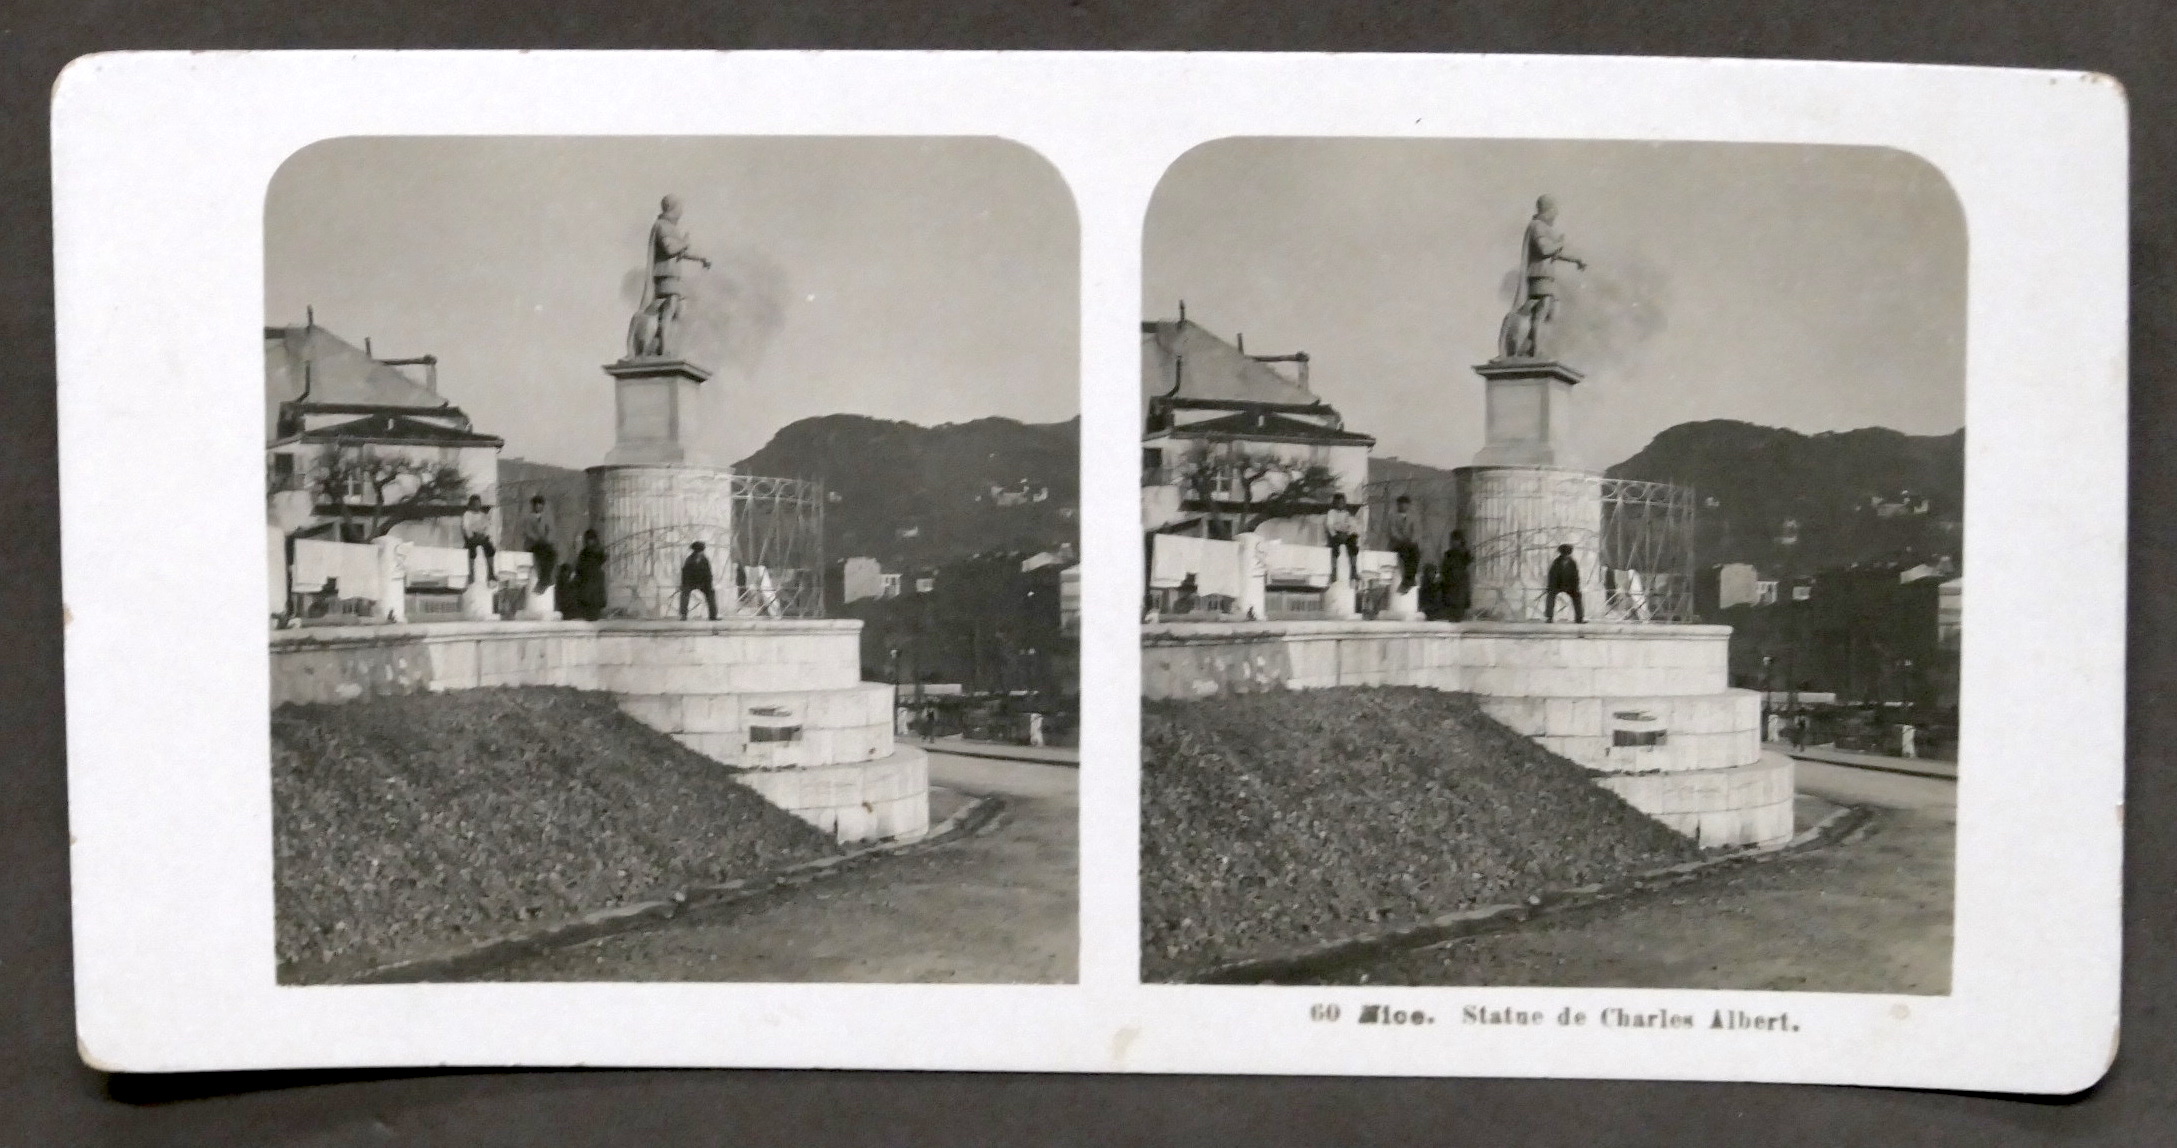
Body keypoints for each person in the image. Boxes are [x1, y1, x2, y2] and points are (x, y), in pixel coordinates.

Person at [570, 529, 609, 621]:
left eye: (591, 539)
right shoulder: (586, 552)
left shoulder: (593, 551)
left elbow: (602, 559)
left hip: (591, 582)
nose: (590, 542)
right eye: (589, 540)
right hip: (588, 582)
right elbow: (579, 566)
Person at [1324, 492, 1362, 584]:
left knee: (1353, 546)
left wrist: (1348, 532)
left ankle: (1353, 571)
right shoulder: (1331, 513)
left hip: (1345, 535)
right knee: (1334, 549)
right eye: (1339, 502)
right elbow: (1330, 526)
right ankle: (1334, 571)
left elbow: (1350, 526)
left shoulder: (1347, 513)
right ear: (1335, 503)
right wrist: (1338, 532)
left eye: (1342, 502)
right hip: (1335, 535)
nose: (1341, 504)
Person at [522, 494, 557, 591]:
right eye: (536, 505)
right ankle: (544, 580)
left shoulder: (547, 518)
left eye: (541, 505)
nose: (539, 507)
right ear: (533, 506)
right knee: (541, 554)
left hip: (545, 544)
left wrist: (547, 539)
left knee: (552, 554)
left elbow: (551, 530)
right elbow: (528, 532)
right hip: (532, 544)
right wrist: (538, 539)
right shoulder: (528, 518)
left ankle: (545, 579)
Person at [1387, 495, 1421, 594]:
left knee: (1416, 554)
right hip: (1397, 544)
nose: (1403, 507)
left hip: (1410, 543)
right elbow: (1392, 532)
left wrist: (1412, 540)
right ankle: (1408, 580)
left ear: (1408, 505)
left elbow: (1417, 531)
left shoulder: (1413, 517)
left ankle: (1409, 580)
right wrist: (1402, 540)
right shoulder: (1392, 516)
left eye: (1405, 504)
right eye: (1401, 504)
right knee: (1405, 554)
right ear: (1398, 505)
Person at [459, 495, 496, 585]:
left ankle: (491, 573)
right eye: (475, 504)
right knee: (471, 551)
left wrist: (484, 535)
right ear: (471, 505)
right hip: (472, 537)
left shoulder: (483, 515)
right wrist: (472, 536)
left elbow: (487, 527)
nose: (477, 506)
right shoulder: (467, 514)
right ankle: (471, 574)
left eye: (478, 504)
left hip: (481, 536)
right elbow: (466, 527)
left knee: (490, 549)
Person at [1544, 542, 1584, 623]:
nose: (1566, 555)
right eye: (1564, 553)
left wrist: (1576, 587)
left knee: (1577, 595)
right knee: (1550, 595)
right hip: (1557, 585)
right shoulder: (1556, 562)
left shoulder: (1572, 563)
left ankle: (1579, 618)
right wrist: (1551, 587)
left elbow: (1576, 576)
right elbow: (1552, 576)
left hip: (1570, 586)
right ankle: (1549, 617)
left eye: (1567, 553)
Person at [679, 540, 718, 621]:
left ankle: (713, 615)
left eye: (701, 551)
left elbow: (708, 574)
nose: (701, 553)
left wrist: (708, 585)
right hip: (691, 582)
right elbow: (685, 574)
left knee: (711, 593)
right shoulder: (689, 560)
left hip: (703, 583)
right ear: (696, 551)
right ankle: (683, 614)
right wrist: (684, 585)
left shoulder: (705, 560)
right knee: (685, 593)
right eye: (699, 551)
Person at [1441, 529, 1474, 620]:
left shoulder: (1465, 554)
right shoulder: (1448, 554)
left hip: (1460, 582)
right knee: (1451, 603)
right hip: (1450, 582)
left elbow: (1469, 565)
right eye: (1452, 540)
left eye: (1455, 540)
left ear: (1460, 541)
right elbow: (1444, 568)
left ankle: (1459, 616)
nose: (1453, 542)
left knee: (1460, 602)